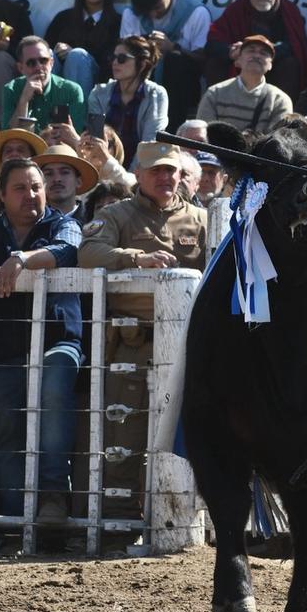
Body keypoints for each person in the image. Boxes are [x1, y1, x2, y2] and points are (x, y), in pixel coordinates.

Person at [79, 141, 206, 525]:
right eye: (157, 171)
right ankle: (120, 522)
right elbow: (88, 254)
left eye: (172, 171)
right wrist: (137, 259)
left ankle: (187, 520)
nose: (166, 178)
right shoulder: (117, 215)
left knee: (194, 430)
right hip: (133, 341)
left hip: (190, 344)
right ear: (138, 174)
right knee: (124, 431)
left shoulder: (201, 219)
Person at [0, 158, 82, 522]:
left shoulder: (63, 221)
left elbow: (67, 249)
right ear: (1, 195)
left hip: (57, 338)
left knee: (55, 394)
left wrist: (21, 259)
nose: (31, 195)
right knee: (5, 426)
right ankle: (16, 517)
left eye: (36, 187)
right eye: (20, 188)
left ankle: (53, 498)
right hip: (3, 344)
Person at [205, 0, 307, 103]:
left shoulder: (289, 11)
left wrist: (265, 53)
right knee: (215, 62)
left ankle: (284, 117)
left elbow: (294, 46)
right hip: (241, 65)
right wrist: (232, 51)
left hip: (273, 65)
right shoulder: (235, 10)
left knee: (290, 64)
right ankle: (218, 112)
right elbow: (212, 43)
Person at [119, 0, 211, 129]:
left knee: (175, 61)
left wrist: (173, 47)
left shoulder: (196, 13)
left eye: (157, 8)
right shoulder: (132, 14)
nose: (153, 15)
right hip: (142, 80)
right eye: (147, 12)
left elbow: (202, 59)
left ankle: (172, 131)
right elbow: (123, 54)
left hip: (181, 87)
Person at [86, 36, 168, 167]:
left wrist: (130, 178)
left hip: (140, 170)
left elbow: (149, 143)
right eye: (113, 58)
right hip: (103, 168)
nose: (115, 63)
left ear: (142, 64)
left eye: (122, 59)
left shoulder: (156, 95)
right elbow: (95, 142)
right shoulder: (98, 94)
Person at [44, 0, 122, 98]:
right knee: (47, 54)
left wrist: (75, 54)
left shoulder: (118, 22)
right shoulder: (63, 18)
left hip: (96, 85)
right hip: (60, 80)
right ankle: (45, 112)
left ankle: (78, 116)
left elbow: (112, 62)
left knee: (77, 56)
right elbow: (43, 49)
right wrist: (58, 51)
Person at [196, 34, 292, 134]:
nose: (257, 56)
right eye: (251, 51)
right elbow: (202, 136)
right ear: (238, 60)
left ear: (270, 65)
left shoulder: (280, 100)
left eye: (263, 53)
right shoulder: (214, 93)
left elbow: (278, 142)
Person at [1, 36, 87, 134]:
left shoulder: (71, 91)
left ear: (51, 63)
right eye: (31, 63)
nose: (38, 67)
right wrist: (24, 101)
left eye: (43, 61)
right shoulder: (11, 89)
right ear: (20, 68)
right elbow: (9, 138)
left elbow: (75, 139)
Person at [33, 143, 99, 222]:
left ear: (78, 181)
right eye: (49, 174)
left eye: (64, 172)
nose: (57, 179)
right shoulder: (31, 222)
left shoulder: (95, 218)